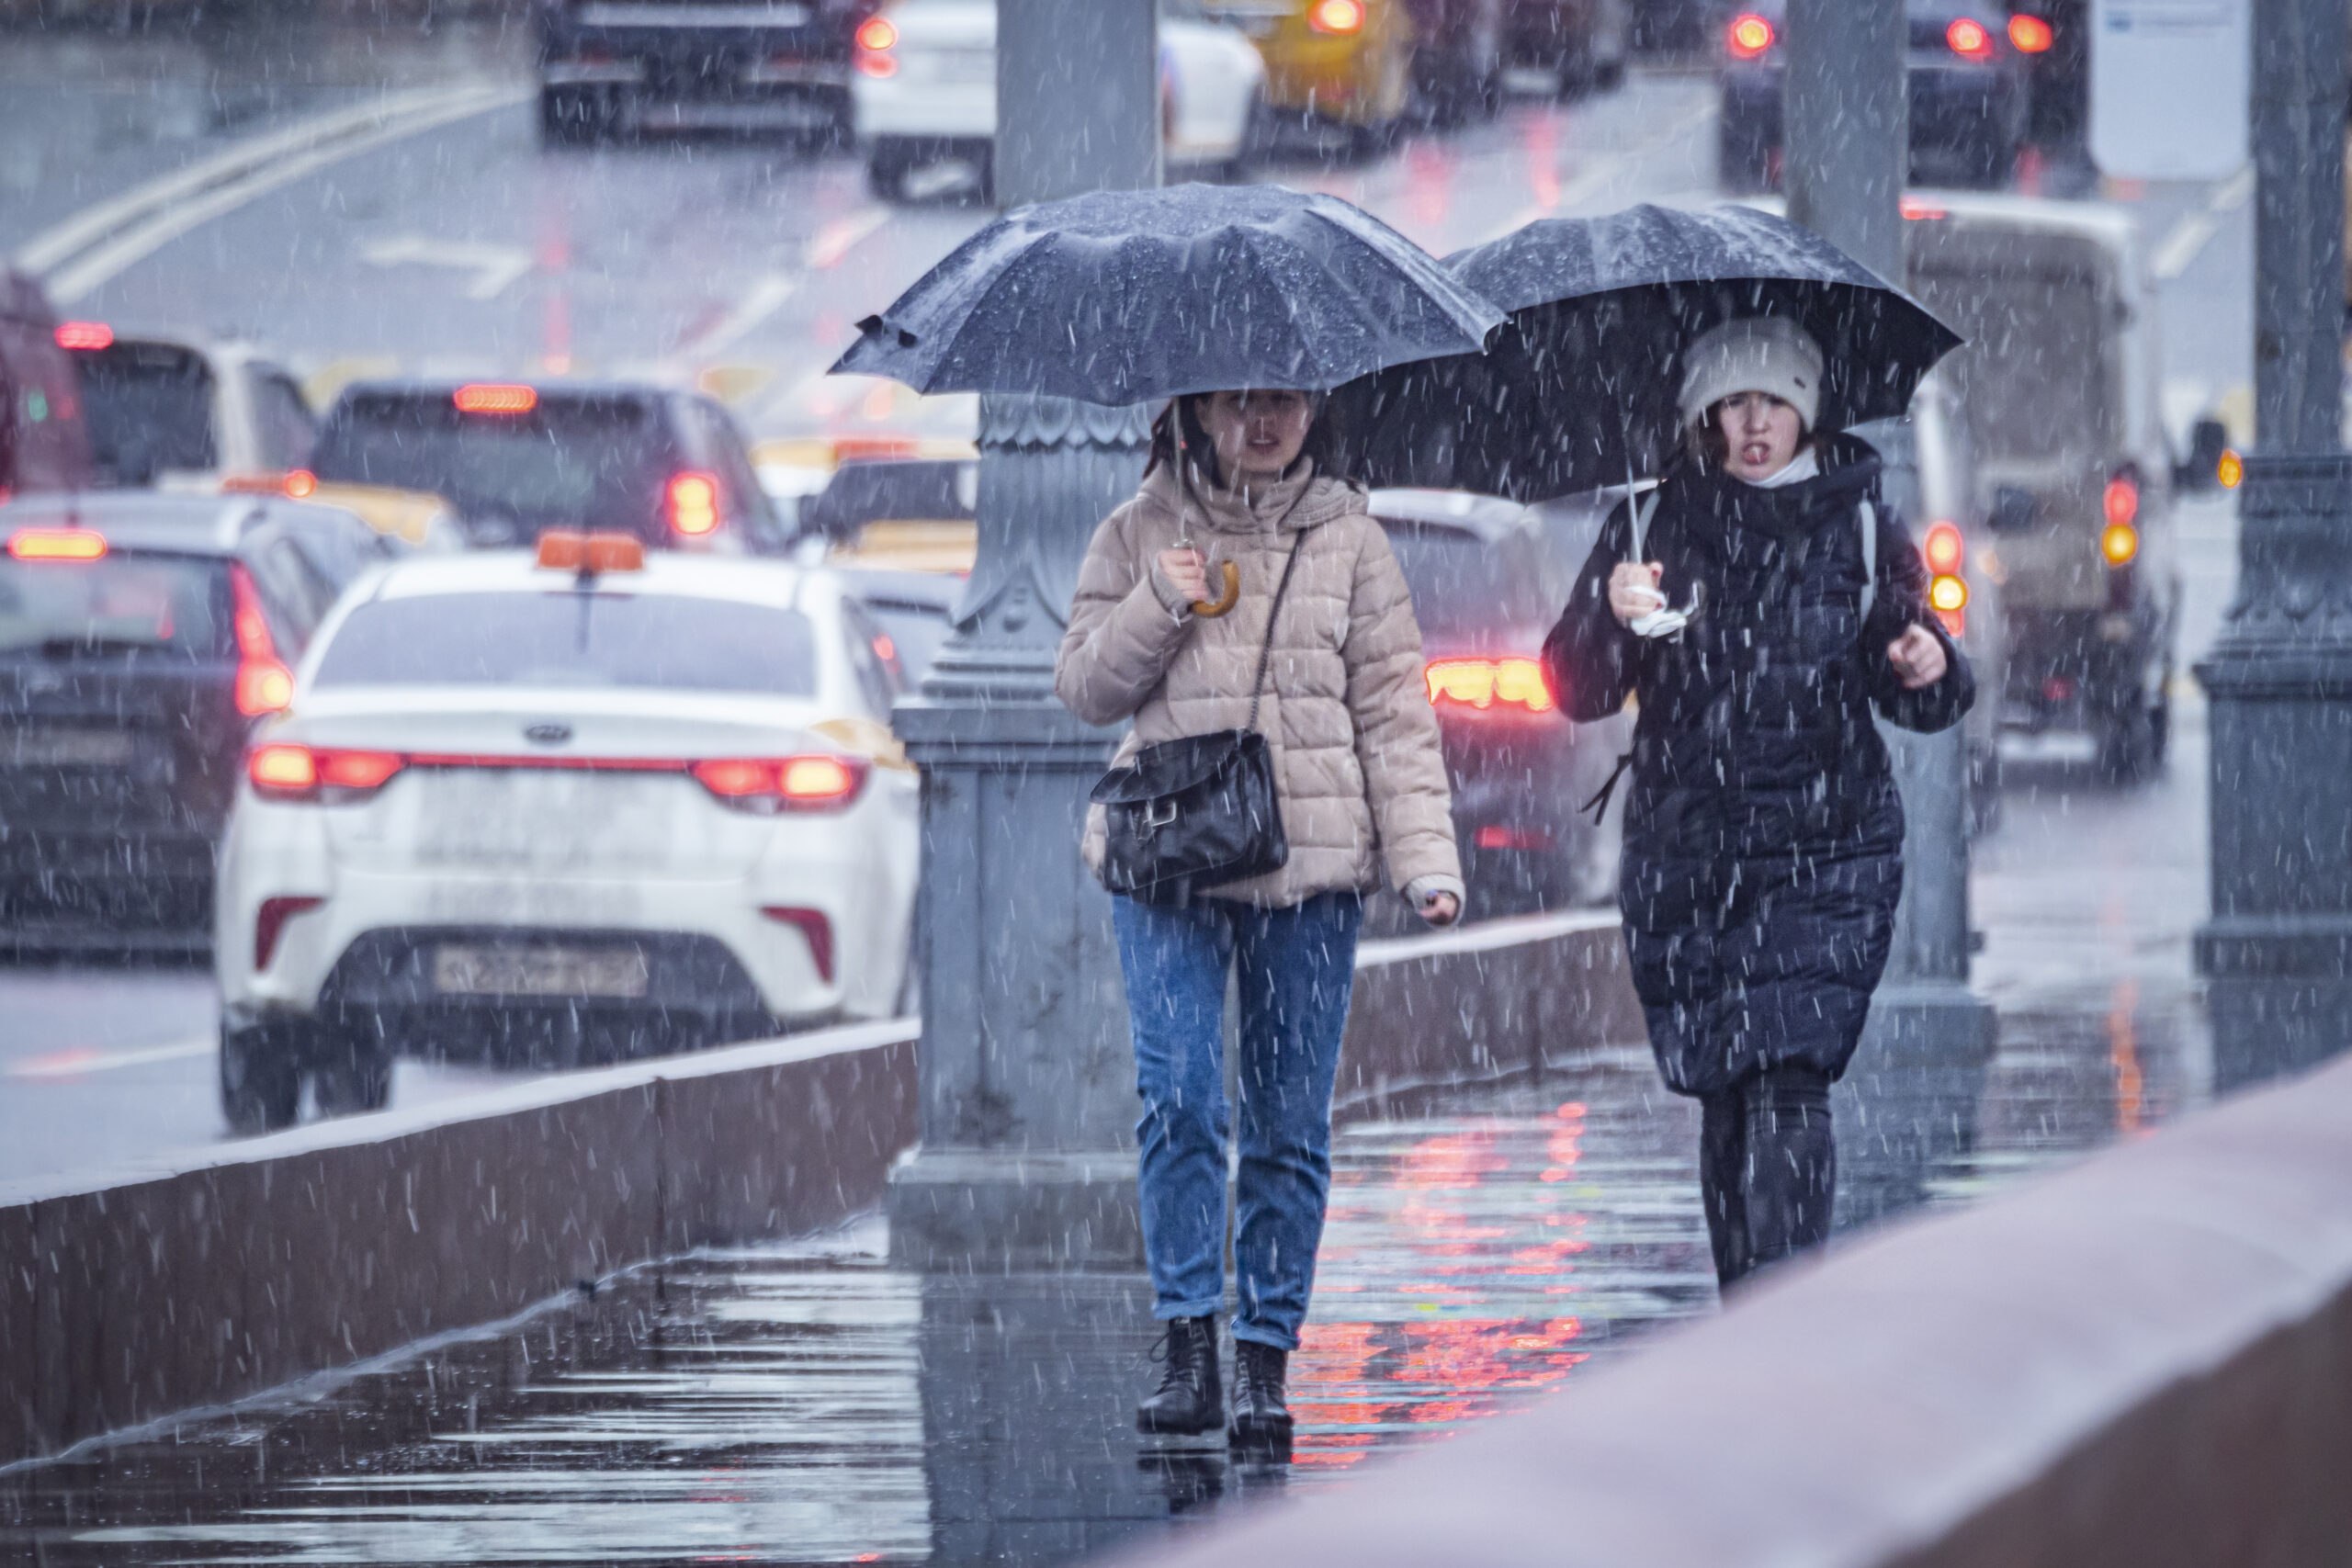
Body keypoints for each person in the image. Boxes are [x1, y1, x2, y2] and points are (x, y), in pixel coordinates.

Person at [1055, 387, 1464, 1454]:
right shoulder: (1138, 528)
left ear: (1317, 405)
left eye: (1284, 398)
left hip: (1311, 870)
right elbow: (1085, 689)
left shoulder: (1351, 538)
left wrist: (1426, 860)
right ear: (1194, 411)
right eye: (1240, 400)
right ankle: (1188, 1345)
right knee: (1182, 1099)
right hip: (1169, 863)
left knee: (1287, 1126)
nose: (1265, 418)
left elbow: (1393, 712)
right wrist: (1157, 602)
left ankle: (1264, 1362)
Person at [1543, 316, 1974, 1292]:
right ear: (1703, 414)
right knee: (1729, 1091)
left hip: (1828, 847)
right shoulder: (1648, 525)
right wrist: (1609, 620)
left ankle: (1788, 1313)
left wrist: (1926, 661)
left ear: (1806, 410)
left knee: (1789, 1076)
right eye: (1733, 402)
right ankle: (1751, 1307)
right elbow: (1577, 689)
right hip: (1691, 856)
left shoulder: (1861, 521)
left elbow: (1924, 675)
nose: (1753, 423)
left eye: (1773, 400)